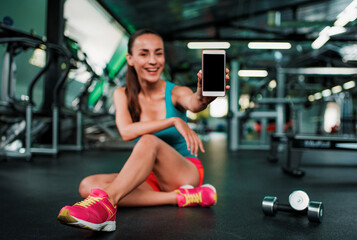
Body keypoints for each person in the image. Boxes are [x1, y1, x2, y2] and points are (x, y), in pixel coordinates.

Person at [57, 29, 230, 232]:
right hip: (151, 178)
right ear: (130, 59)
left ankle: (106, 208)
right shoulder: (122, 94)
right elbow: (126, 132)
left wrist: (203, 95)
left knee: (148, 140)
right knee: (87, 186)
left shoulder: (176, 92)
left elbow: (194, 102)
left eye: (158, 53)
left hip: (184, 173)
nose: (153, 60)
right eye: (144, 53)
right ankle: (183, 197)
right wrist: (172, 120)